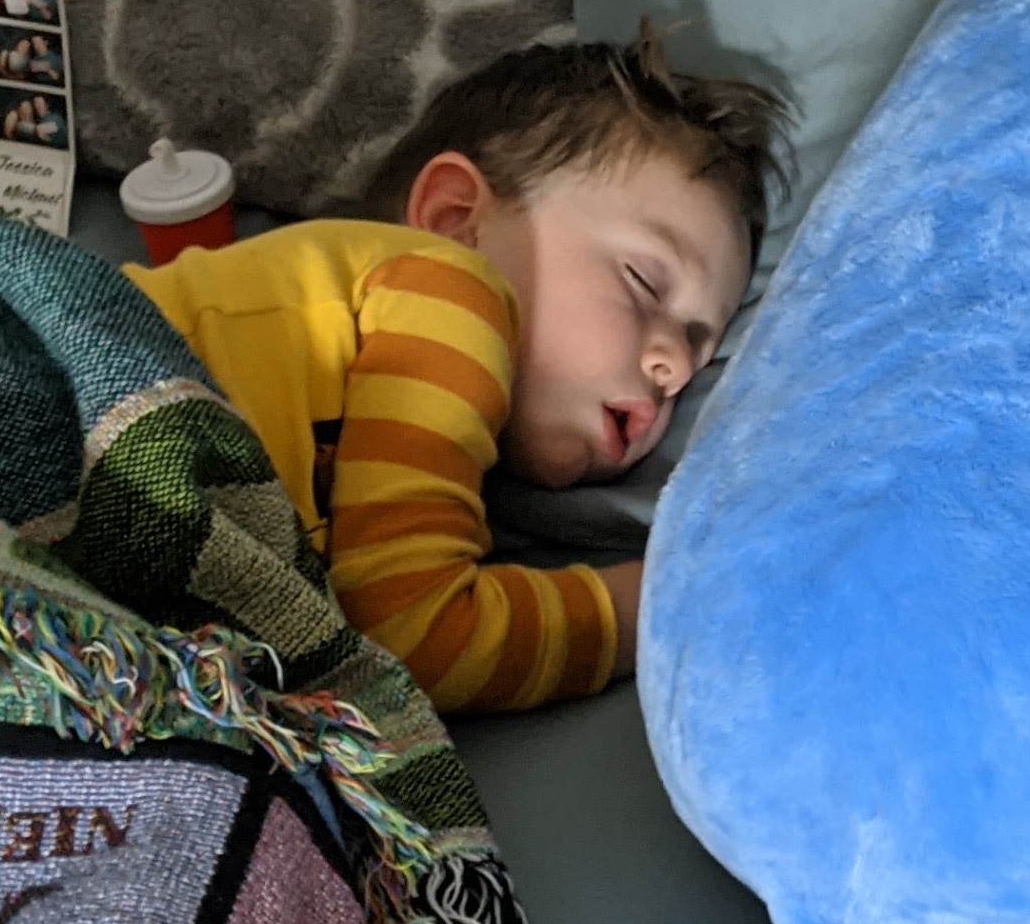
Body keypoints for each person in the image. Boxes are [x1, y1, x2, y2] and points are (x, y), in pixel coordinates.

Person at [125, 37, 773, 714]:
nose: (675, 367)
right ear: (456, 220)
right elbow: (422, 638)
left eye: (699, 343)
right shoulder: (440, 282)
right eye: (644, 282)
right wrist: (685, 591)